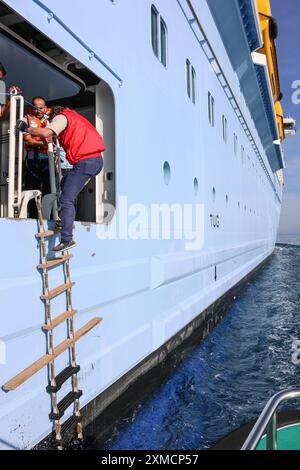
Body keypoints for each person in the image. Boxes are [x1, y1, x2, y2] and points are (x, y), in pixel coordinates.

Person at [16, 106, 105, 251]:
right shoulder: (75, 117)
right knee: (65, 184)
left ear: (54, 116)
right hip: (94, 161)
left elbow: (45, 131)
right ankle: (65, 221)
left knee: (66, 199)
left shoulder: (61, 117)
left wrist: (26, 128)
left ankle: (67, 239)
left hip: (86, 162)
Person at [23, 96, 51, 218]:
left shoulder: (52, 118)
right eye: (35, 108)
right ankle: (33, 218)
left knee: (49, 191)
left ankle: (48, 218)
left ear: (45, 107)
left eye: (41, 108)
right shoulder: (26, 120)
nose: (38, 110)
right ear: (31, 108)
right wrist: (44, 143)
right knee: (31, 191)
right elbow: (28, 140)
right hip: (32, 159)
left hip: (47, 159)